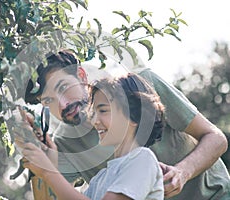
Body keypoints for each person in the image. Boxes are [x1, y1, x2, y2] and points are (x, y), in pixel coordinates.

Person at [24, 50, 230, 199]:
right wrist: (37, 158)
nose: (63, 104)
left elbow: (217, 139)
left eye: (63, 87)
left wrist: (182, 172)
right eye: (48, 101)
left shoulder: (142, 87)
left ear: (81, 75)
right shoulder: (64, 144)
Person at [17, 73, 165, 199]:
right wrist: (49, 161)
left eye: (103, 111)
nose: (95, 121)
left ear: (133, 115)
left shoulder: (142, 160)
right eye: (94, 113)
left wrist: (49, 172)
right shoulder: (99, 179)